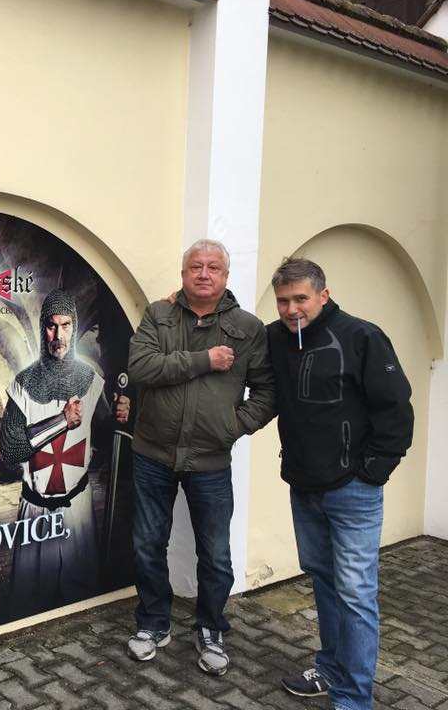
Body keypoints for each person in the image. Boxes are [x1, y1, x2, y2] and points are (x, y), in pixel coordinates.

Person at [268, 258, 413, 710]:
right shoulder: (275, 337)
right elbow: (233, 332)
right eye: (283, 301)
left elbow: (396, 409)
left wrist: (371, 472)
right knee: (325, 583)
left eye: (301, 299)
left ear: (324, 295)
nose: (292, 309)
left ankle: (354, 698)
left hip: (353, 491)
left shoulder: (362, 336)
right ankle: (331, 670)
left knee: (355, 594)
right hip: (303, 486)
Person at [125, 239, 275, 675]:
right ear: (183, 273)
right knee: (147, 544)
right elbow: (141, 368)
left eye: (213, 267)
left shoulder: (248, 328)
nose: (203, 273)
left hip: (210, 460)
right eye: (195, 266)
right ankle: (153, 623)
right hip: (152, 454)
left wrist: (234, 426)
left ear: (226, 276)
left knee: (215, 554)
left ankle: (211, 628)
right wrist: (203, 360)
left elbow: (267, 391)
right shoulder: (159, 314)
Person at [0, 289, 130, 612]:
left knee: (81, 599)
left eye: (66, 325)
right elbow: (10, 450)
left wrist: (121, 415)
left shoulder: (91, 381)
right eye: (52, 326)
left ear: (75, 326)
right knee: (29, 603)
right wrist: (61, 421)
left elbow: (104, 434)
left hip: (78, 511)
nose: (58, 335)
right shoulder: (23, 385)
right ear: (43, 328)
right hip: (35, 511)